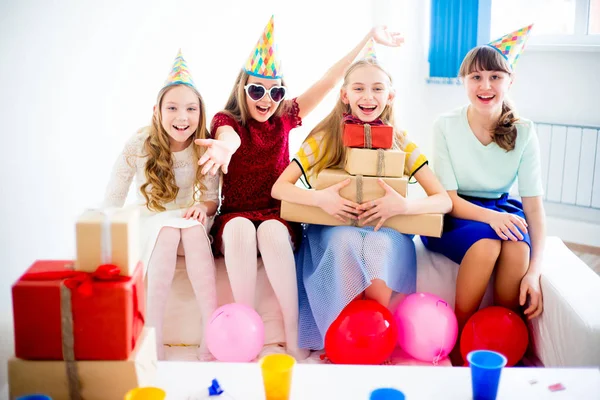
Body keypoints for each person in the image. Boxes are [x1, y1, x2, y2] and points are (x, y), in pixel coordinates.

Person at [195, 17, 405, 360]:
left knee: (273, 235)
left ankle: (293, 336)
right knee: (238, 230)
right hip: (234, 213)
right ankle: (245, 327)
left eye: (275, 91)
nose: (267, 99)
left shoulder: (285, 116)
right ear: (242, 89)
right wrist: (224, 148)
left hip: (278, 212)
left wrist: (368, 37)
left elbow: (330, 80)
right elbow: (227, 138)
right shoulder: (227, 121)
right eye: (257, 90)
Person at [271, 51, 452, 352]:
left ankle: (374, 333)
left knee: (379, 244)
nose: (368, 96)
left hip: (384, 227)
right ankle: (344, 333)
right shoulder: (326, 137)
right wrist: (320, 200)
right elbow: (280, 188)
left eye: (377, 88)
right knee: (345, 241)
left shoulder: (401, 142)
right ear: (344, 95)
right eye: (359, 88)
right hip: (335, 228)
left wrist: (404, 207)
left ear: (390, 96)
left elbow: (443, 200)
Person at [420, 25, 545, 365]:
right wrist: (493, 218)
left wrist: (534, 271)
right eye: (475, 77)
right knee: (488, 243)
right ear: (464, 81)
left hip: (499, 207)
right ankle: (460, 340)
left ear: (510, 80)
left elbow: (534, 210)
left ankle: (504, 337)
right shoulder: (444, 125)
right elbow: (448, 199)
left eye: (494, 76)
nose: (485, 86)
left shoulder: (524, 131)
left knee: (518, 245)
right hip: (455, 212)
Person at [103, 51, 218, 361]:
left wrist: (202, 210)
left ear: (200, 112)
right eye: (173, 108)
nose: (182, 117)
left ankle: (212, 327)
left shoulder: (203, 145)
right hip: (150, 218)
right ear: (157, 111)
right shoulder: (139, 142)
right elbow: (116, 191)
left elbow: (211, 198)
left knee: (193, 232)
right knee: (167, 232)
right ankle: (152, 332)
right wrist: (106, 236)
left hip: (184, 216)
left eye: (191, 109)